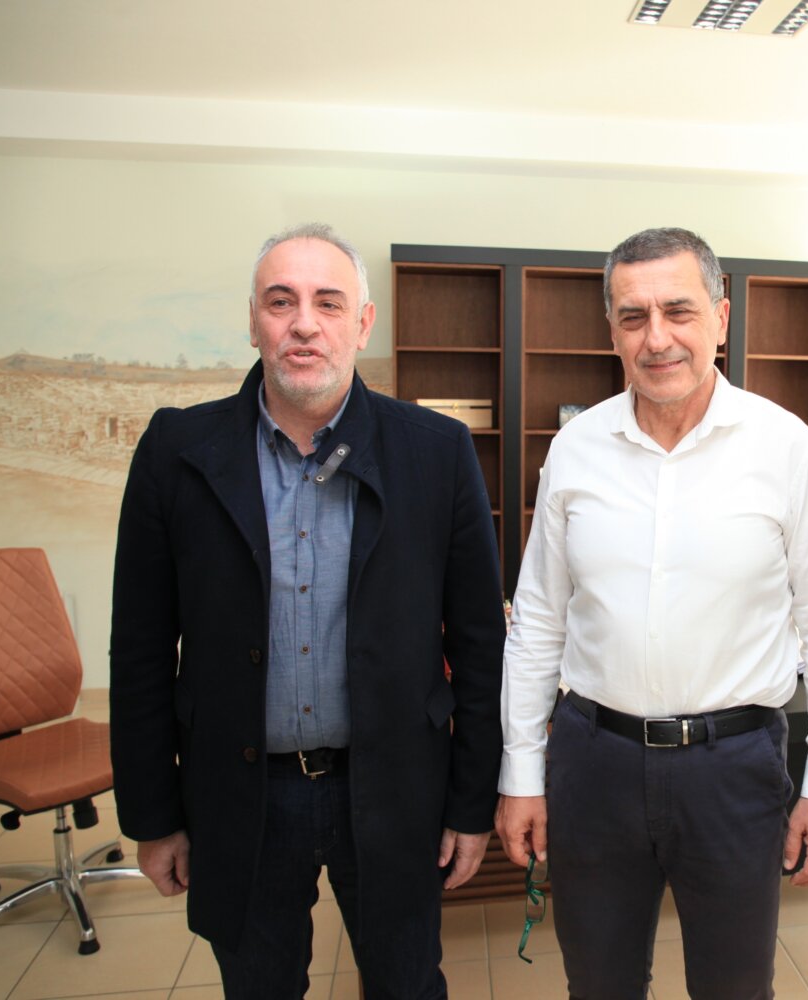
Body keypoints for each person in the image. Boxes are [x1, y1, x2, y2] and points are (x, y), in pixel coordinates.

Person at [109, 223, 506, 999]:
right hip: (241, 791)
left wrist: (471, 803)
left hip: (393, 787)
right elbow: (142, 648)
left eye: (328, 303)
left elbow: (479, 644)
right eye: (280, 302)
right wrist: (153, 816)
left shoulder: (435, 451)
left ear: (362, 323)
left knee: (405, 985)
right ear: (253, 320)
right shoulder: (177, 451)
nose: (303, 324)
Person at [496, 227, 808, 998]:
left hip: (734, 769)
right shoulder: (576, 449)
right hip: (594, 763)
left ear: (721, 318)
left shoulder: (789, 449)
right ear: (612, 330)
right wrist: (521, 772)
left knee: (735, 988)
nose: (656, 338)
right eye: (634, 317)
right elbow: (538, 622)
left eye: (679, 311)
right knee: (599, 986)